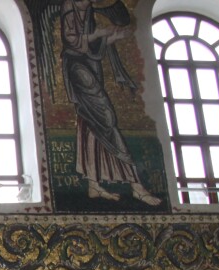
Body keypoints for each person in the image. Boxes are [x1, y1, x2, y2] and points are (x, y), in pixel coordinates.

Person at [60, 0, 160, 205]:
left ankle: (94, 184)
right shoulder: (69, 7)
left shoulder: (87, 10)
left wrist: (111, 38)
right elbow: (72, 41)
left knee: (90, 121)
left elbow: (91, 48)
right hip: (78, 69)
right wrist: (98, 34)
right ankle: (135, 185)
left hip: (89, 66)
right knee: (106, 117)